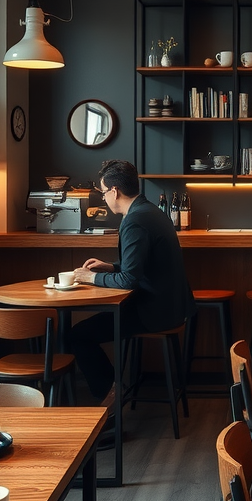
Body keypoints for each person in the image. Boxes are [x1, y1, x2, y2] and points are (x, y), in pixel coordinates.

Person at [71, 159, 196, 410]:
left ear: (114, 191)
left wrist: (89, 278)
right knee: (83, 332)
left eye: (103, 192)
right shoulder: (150, 211)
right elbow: (140, 266)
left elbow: (129, 280)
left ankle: (110, 396)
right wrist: (111, 267)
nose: (104, 198)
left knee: (77, 335)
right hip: (172, 305)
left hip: (154, 312)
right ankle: (112, 389)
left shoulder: (135, 221)